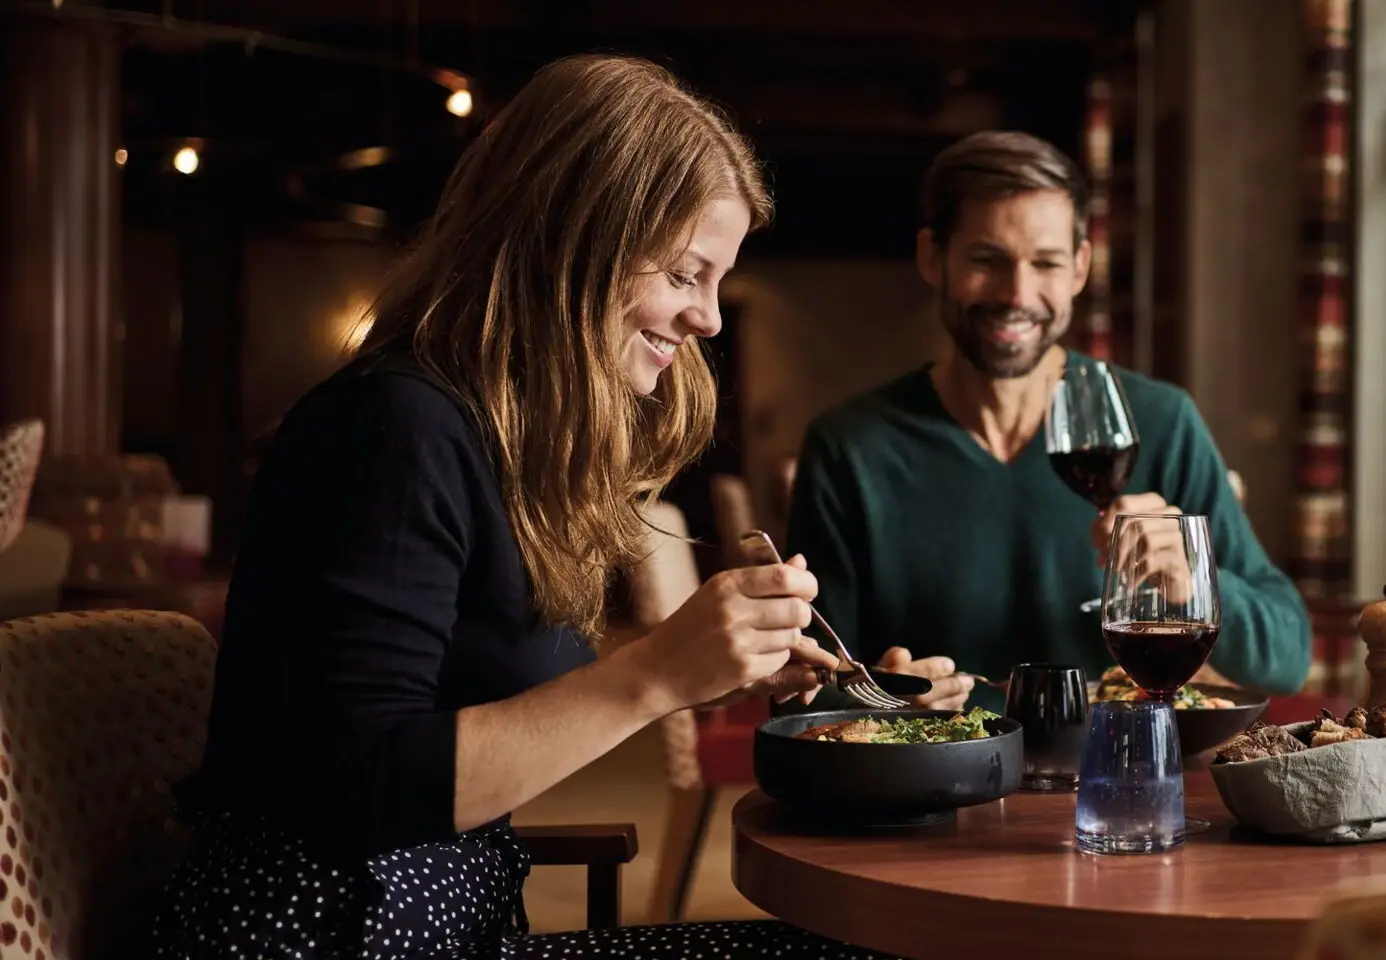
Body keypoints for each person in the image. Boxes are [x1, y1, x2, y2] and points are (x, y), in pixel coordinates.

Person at [152, 54, 893, 959]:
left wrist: (711, 668)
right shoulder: (394, 427)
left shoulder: (493, 440)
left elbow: (477, 696)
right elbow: (353, 786)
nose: (710, 318)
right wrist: (655, 675)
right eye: (684, 273)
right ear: (576, 246)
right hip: (329, 935)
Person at [784, 131, 1311, 710]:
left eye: (1047, 263)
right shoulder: (849, 447)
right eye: (987, 260)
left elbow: (1287, 657)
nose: (1019, 293)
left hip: (1122, 781)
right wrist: (881, 698)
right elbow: (807, 690)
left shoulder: (1162, 421)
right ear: (933, 257)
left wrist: (1196, 583)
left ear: (1081, 266)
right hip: (933, 786)